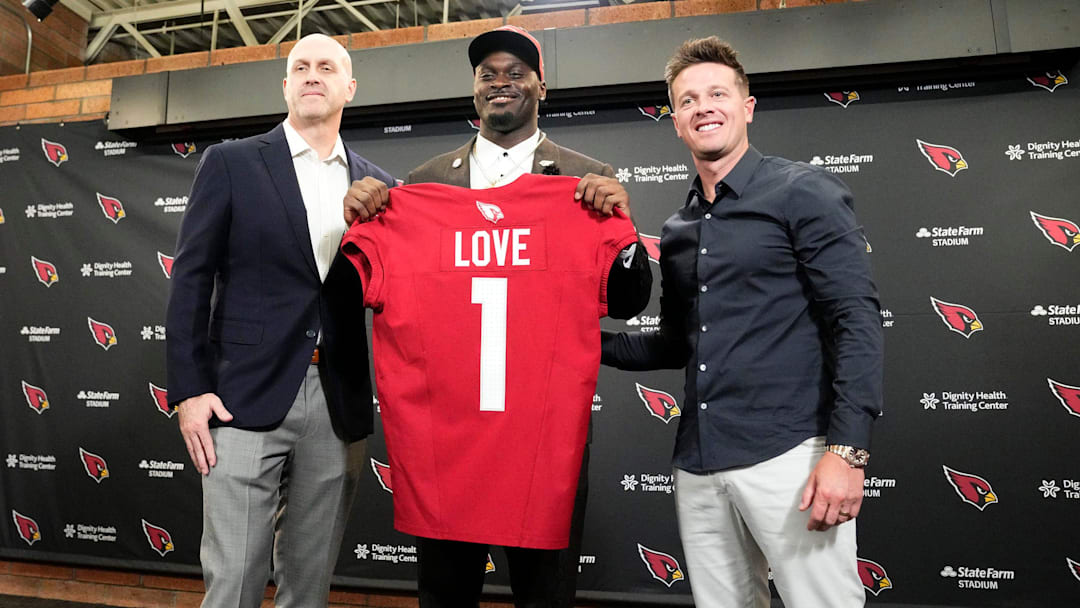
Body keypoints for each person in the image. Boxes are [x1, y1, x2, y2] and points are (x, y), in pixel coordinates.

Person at [343, 25, 651, 608]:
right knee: (445, 592)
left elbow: (630, 300)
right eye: (488, 74)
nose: (501, 82)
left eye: (516, 72)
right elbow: (360, 288)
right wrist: (367, 214)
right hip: (449, 430)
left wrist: (624, 232)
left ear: (541, 86)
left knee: (545, 593)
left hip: (542, 432)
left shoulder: (586, 177)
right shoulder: (421, 184)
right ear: (474, 90)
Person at [601, 37, 884, 608]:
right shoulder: (678, 230)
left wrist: (847, 452)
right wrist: (574, 341)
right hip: (700, 464)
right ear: (676, 121)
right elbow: (675, 344)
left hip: (791, 457)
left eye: (717, 94)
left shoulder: (803, 192)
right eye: (688, 100)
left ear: (747, 107)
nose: (703, 107)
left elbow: (856, 319)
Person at [165, 33, 394, 608]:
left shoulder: (382, 188)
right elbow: (191, 278)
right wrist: (190, 391)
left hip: (338, 403)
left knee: (308, 586)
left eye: (326, 67)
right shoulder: (232, 162)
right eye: (300, 67)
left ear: (350, 88)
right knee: (234, 581)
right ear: (286, 85)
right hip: (243, 395)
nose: (312, 75)